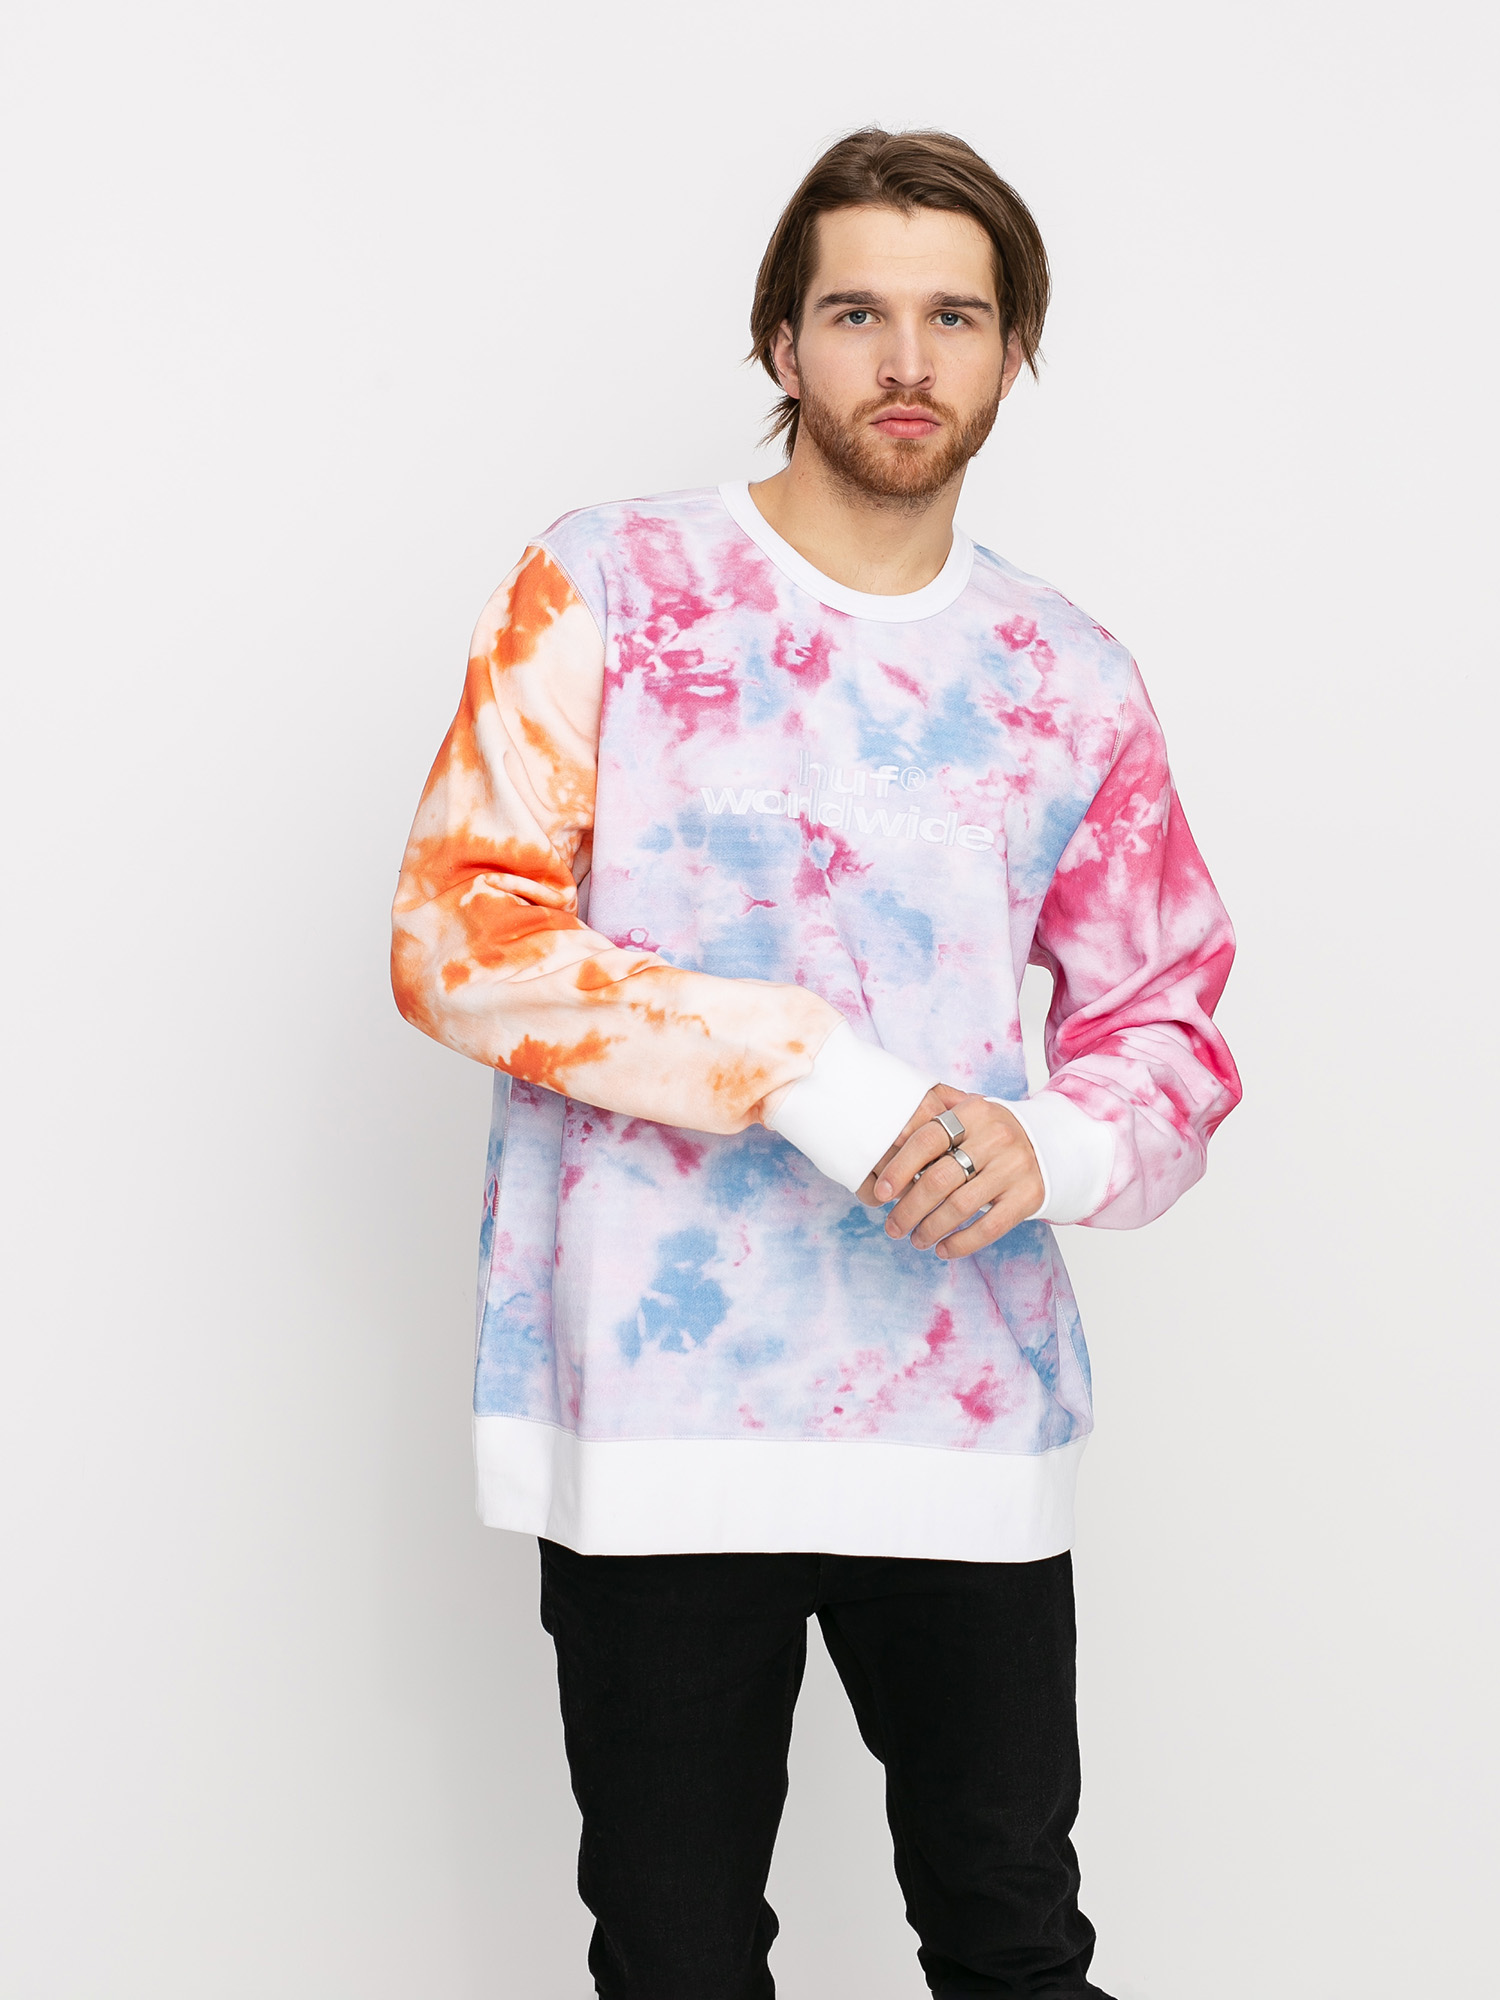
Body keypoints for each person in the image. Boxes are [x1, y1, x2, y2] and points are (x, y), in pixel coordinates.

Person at [392, 125, 1241, 2000]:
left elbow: (1168, 1023)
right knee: (680, 1958)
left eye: (958, 317)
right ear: (783, 340)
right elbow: (460, 933)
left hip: (960, 1400)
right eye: (858, 313)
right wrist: (807, 1069)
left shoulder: (1067, 672)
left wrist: (1053, 1146)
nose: (907, 360)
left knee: (1012, 1943)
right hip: (662, 1408)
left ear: (1015, 350)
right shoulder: (612, 581)